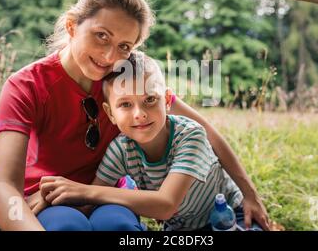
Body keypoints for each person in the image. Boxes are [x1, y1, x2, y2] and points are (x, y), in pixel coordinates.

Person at [0, 0, 270, 231]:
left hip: (111, 195)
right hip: (49, 199)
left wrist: (249, 194)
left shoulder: (127, 83)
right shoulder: (26, 86)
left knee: (118, 225)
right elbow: (4, 185)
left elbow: (204, 130)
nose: (110, 56)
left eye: (124, 46)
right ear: (72, 26)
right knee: (66, 225)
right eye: (102, 36)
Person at [40, 52, 263, 231]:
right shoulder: (121, 149)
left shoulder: (190, 135)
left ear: (167, 100)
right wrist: (48, 200)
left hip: (230, 213)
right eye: (125, 105)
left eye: (150, 100)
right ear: (110, 114)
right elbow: (92, 200)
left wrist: (84, 191)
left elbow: (166, 205)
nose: (139, 114)